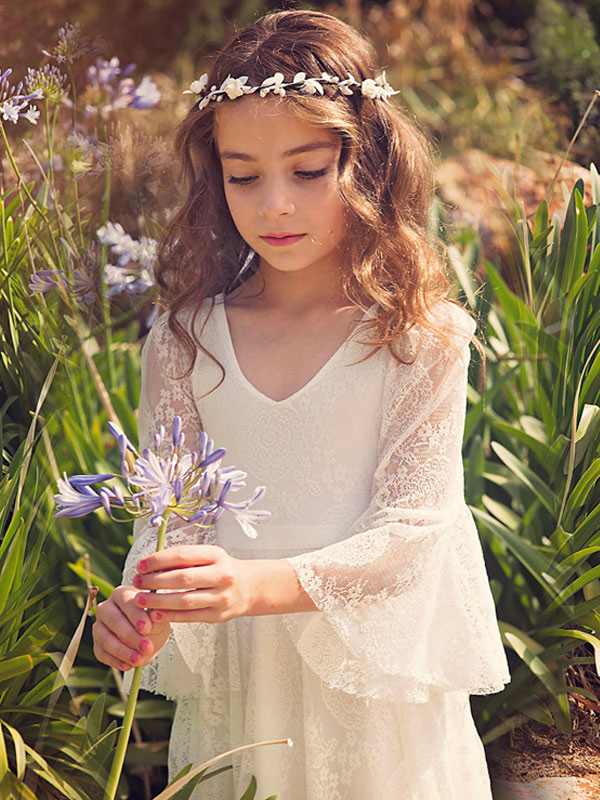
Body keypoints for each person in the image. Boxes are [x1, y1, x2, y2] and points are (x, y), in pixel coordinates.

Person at [92, 9, 511, 799]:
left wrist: (255, 586)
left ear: (371, 163)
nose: (274, 204)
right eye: (243, 175)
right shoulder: (186, 339)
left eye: (308, 171)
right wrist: (143, 602)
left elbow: (414, 530)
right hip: (243, 695)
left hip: (375, 695)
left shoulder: (419, 336)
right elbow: (172, 514)